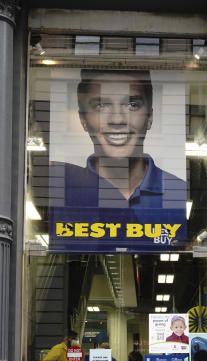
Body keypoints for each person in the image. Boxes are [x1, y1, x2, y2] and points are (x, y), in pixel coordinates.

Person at [50, 69, 187, 252]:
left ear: (150, 118)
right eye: (100, 106)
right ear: (83, 119)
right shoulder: (62, 192)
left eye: (131, 105)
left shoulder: (178, 192)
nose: (117, 119)